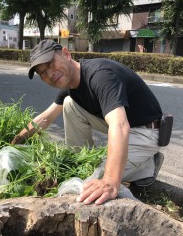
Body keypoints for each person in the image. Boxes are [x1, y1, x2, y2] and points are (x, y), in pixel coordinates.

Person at [11, 39, 164, 205]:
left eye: (50, 63)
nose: (49, 74)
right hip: (128, 124)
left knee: (96, 178)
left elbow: (119, 125)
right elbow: (45, 118)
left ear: (66, 54)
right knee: (69, 104)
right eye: (43, 73)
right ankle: (84, 160)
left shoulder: (100, 75)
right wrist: (14, 142)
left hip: (147, 131)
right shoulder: (71, 85)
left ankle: (147, 167)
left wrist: (111, 181)